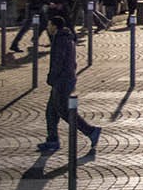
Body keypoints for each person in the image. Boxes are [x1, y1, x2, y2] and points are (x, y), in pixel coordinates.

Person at [38, 14, 101, 154]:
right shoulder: (65, 37)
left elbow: (58, 62)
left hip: (62, 81)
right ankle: (52, 140)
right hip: (65, 79)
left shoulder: (60, 40)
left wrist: (51, 78)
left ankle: (91, 131)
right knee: (51, 112)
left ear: (54, 26)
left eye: (49, 25)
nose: (47, 27)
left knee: (64, 112)